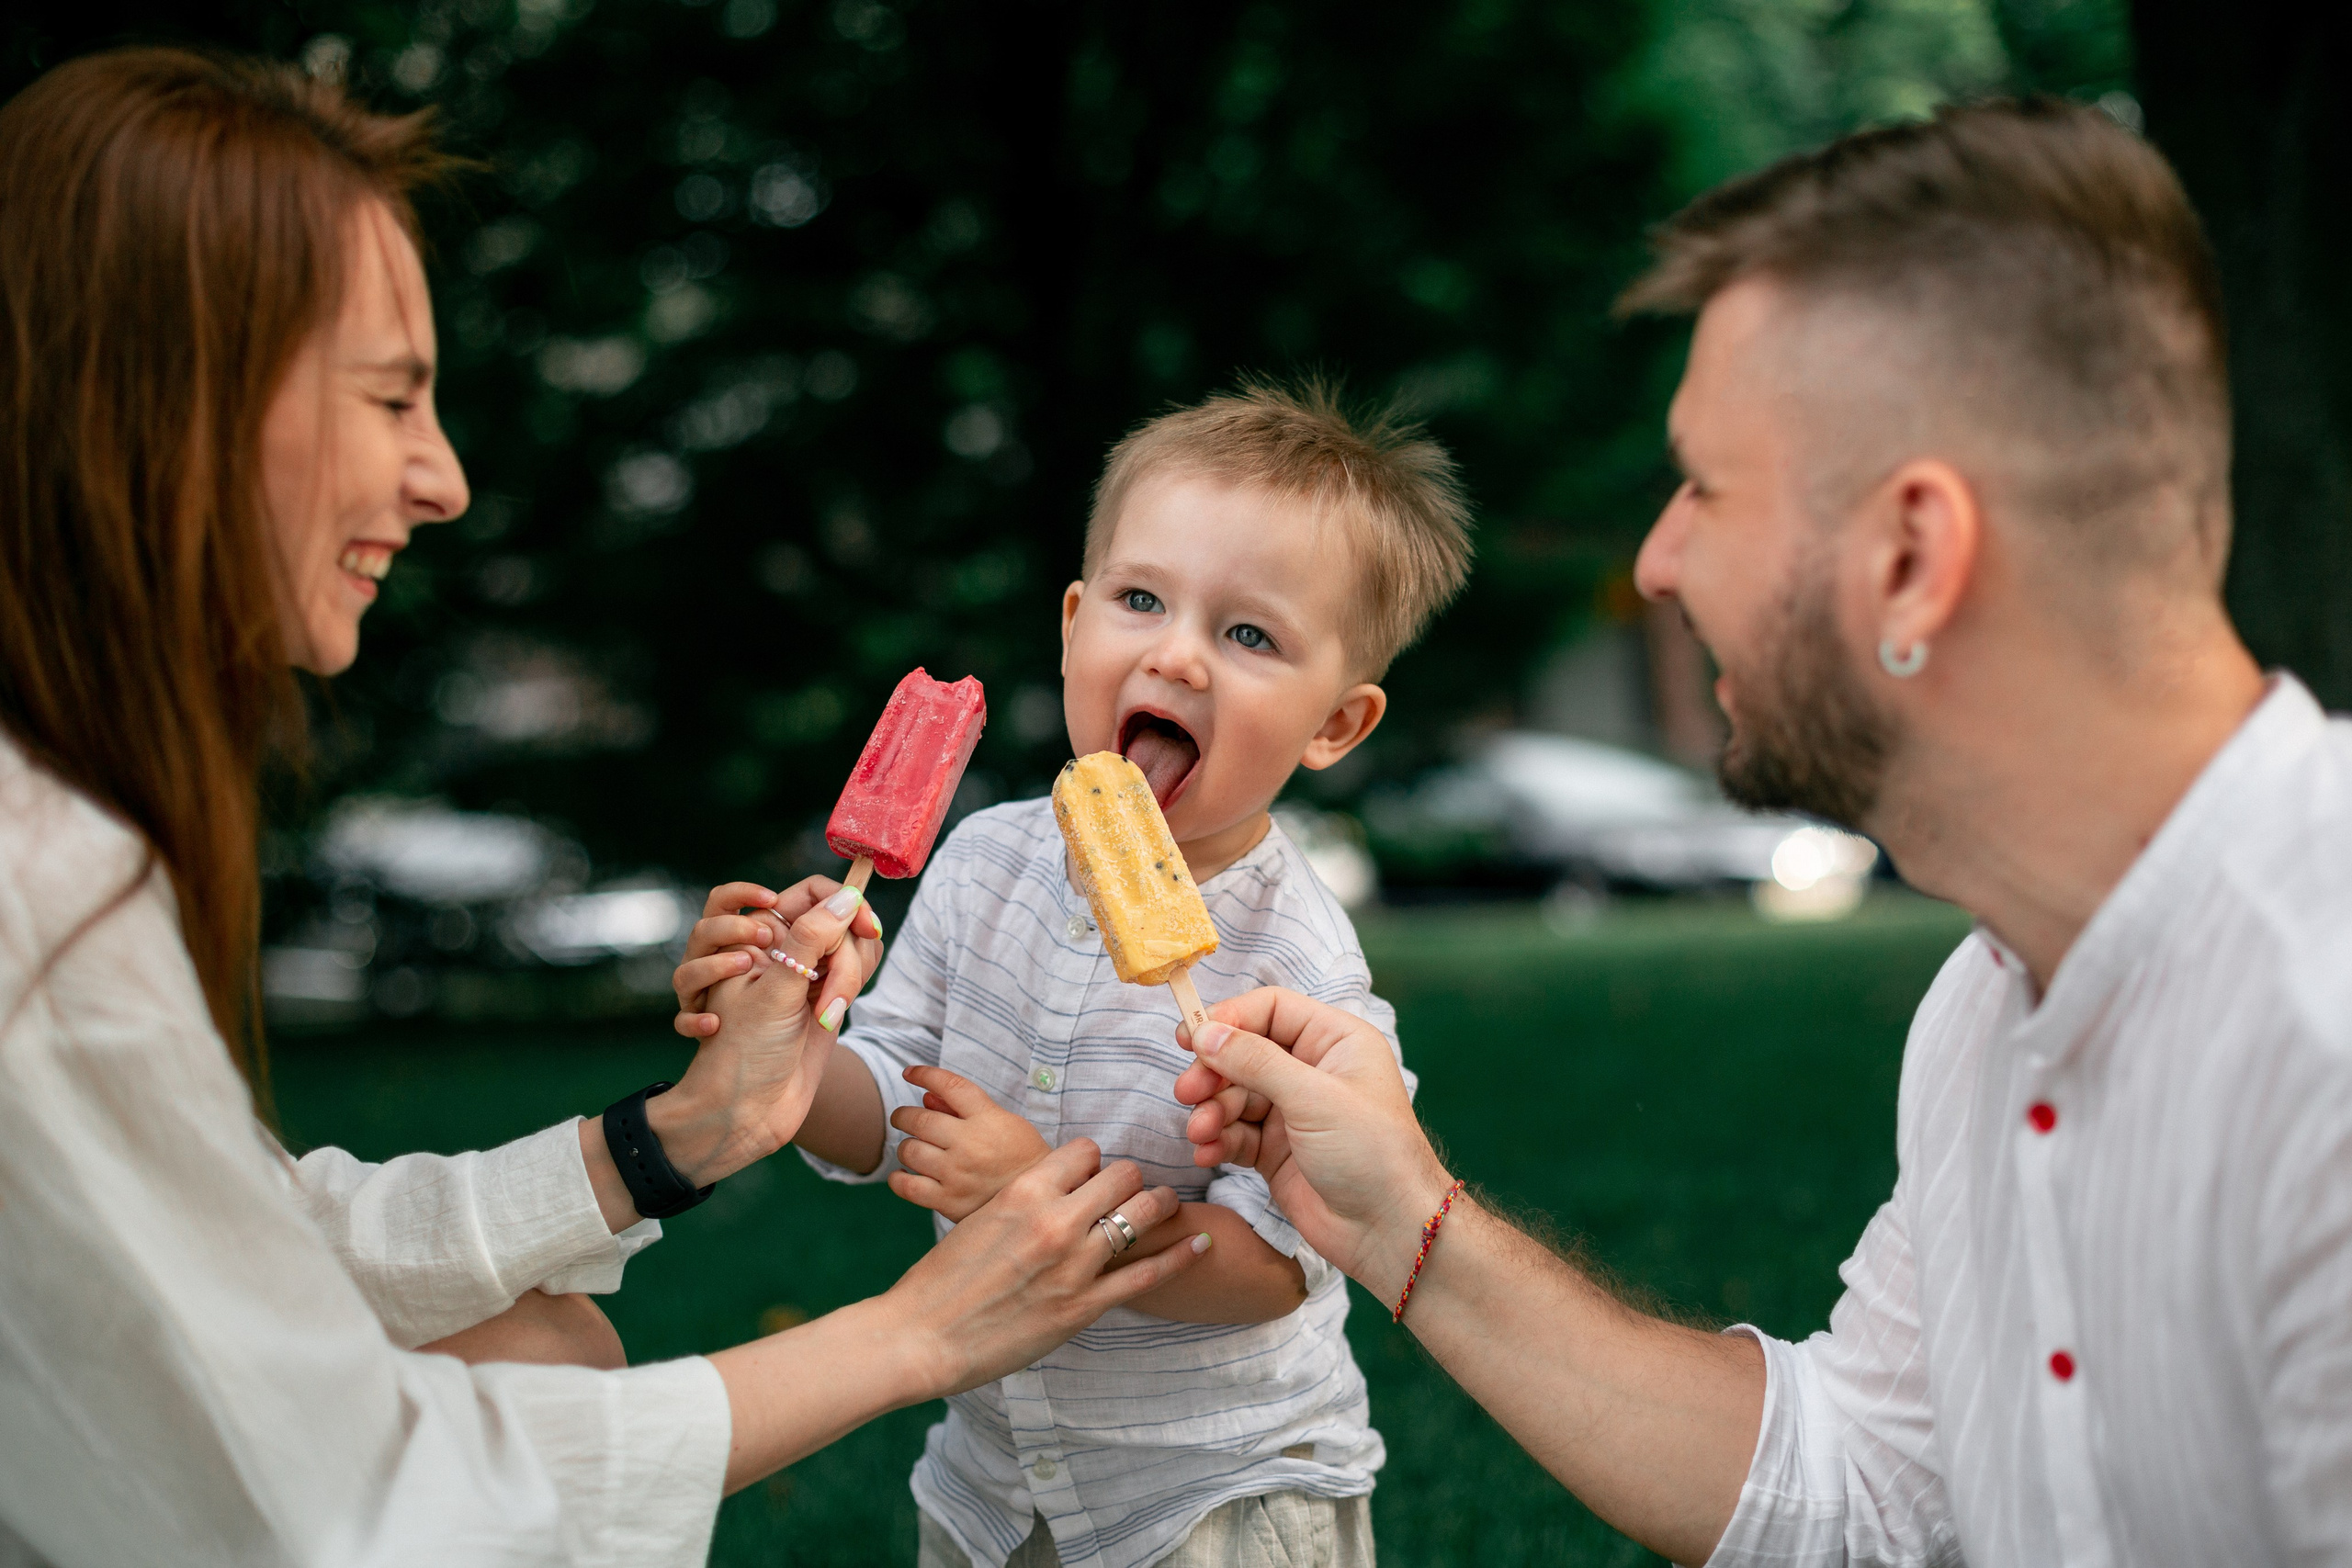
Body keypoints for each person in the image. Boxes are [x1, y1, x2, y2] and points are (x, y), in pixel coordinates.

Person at [0, 46, 1200, 1568]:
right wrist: (909, 1340)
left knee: (536, 1340)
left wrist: (690, 1130)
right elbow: (331, 1496)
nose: (443, 480)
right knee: (523, 1363)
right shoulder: (32, 892)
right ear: (167, 402)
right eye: (392, 398)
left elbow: (252, 1254)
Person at [1171, 98, 2352, 1567]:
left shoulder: (2326, 1036)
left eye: (1709, 488)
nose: (1659, 562)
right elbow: (1866, 1486)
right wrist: (1413, 1221)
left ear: (1912, 559)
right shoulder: (1992, 1004)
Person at [671, 382, 1474, 1568]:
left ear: (1337, 725)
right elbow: (889, 1112)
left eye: (1248, 636)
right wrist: (787, 1048)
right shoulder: (982, 865)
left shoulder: (1298, 964)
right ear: (1071, 621)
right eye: (1141, 599)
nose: (1177, 654)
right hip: (995, 1486)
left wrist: (1043, 1196)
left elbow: (1276, 1269)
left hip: (1216, 1497)